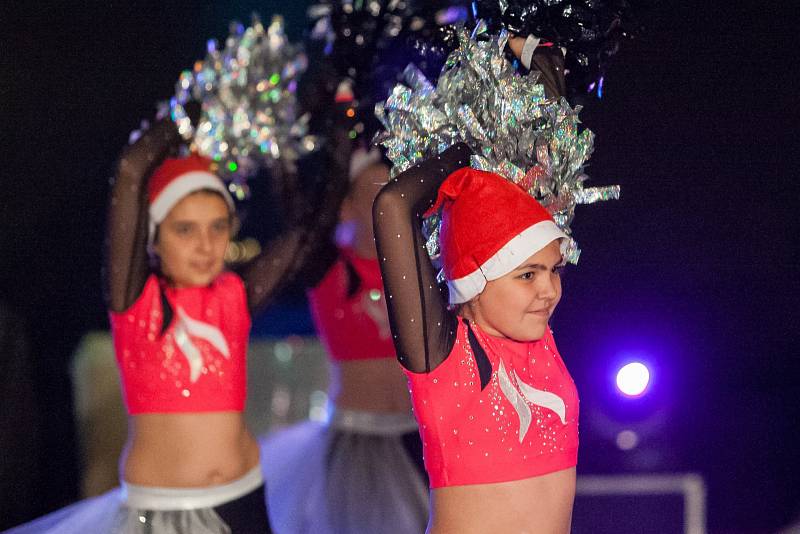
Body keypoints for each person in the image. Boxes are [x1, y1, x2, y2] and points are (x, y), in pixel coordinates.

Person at [7, 114, 348, 533]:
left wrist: (340, 145)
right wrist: (196, 112)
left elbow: (311, 232)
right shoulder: (136, 304)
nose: (205, 246)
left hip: (244, 500)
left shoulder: (232, 297)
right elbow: (134, 168)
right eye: (185, 230)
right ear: (153, 238)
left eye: (217, 227)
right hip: (162, 512)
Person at [260, 138, 429, 533]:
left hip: (415, 434)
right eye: (372, 195)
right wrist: (341, 137)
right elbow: (303, 219)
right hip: (355, 444)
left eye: (391, 191)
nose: (384, 203)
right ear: (347, 205)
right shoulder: (328, 268)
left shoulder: (417, 265)